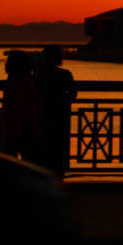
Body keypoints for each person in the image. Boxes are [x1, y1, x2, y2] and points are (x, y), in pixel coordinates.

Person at [35, 45, 77, 176]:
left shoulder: (38, 75)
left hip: (42, 117)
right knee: (58, 151)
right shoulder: (65, 74)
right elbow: (73, 94)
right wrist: (62, 100)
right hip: (60, 118)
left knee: (43, 152)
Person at [0, 49, 43, 162]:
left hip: (13, 126)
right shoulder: (30, 80)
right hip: (27, 126)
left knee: (8, 160)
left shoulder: (13, 80)